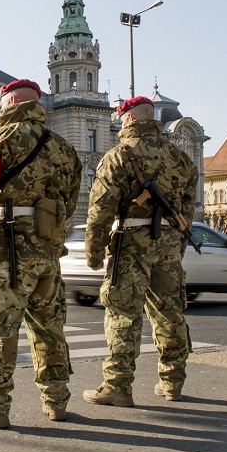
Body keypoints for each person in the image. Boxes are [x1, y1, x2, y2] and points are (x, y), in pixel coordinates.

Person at [0, 78, 82, 429]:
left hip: (8, 249)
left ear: (9, 103)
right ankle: (56, 401)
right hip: (48, 249)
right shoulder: (64, 146)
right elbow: (70, 200)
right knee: (50, 327)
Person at [83, 96, 198, 406]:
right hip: (169, 244)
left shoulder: (119, 156)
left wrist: (94, 253)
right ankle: (172, 382)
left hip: (131, 243)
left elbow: (100, 210)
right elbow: (187, 209)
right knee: (170, 312)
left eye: (122, 118)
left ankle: (118, 385)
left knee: (123, 314)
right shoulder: (180, 158)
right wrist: (178, 242)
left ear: (130, 119)